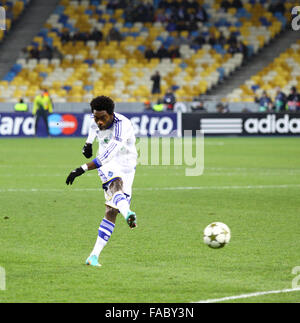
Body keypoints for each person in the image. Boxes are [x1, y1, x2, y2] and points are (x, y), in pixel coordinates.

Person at [66, 96, 138, 267]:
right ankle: (128, 212)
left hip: (126, 165)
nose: (99, 122)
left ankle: (93, 256)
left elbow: (107, 156)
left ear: (112, 114)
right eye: (96, 117)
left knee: (111, 211)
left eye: (102, 118)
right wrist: (88, 143)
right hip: (108, 166)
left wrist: (81, 169)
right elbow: (93, 126)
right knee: (115, 186)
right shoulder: (97, 119)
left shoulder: (123, 126)